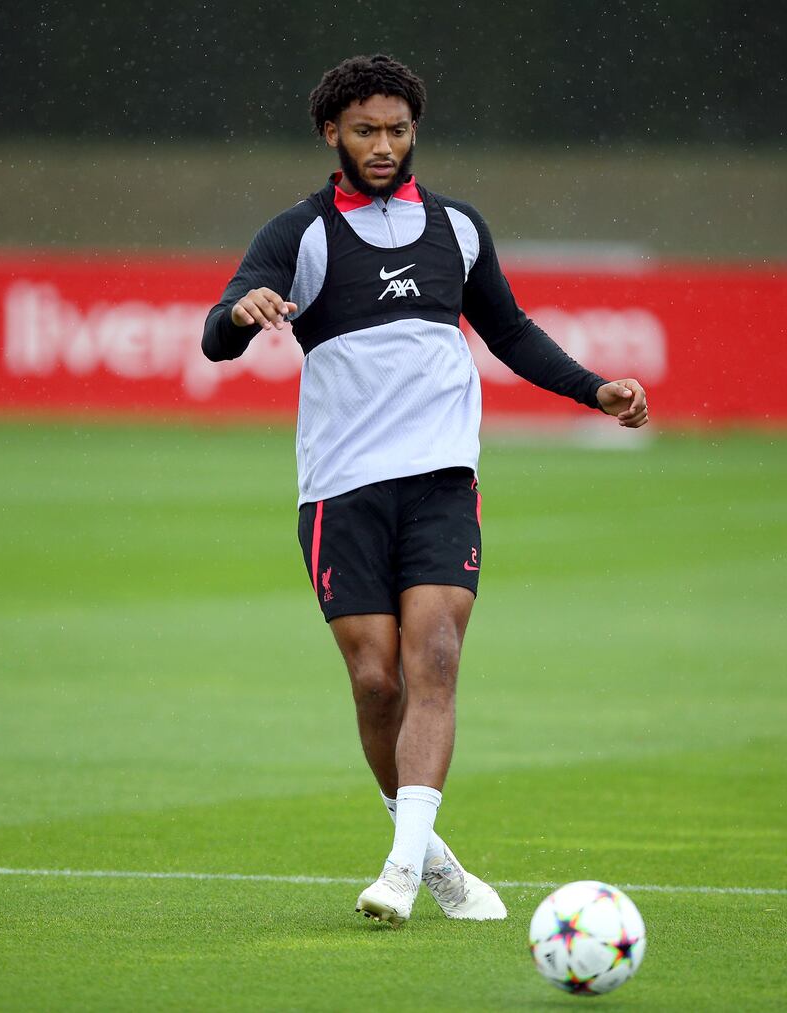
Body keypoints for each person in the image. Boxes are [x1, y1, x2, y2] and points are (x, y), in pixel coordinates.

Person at [202, 54, 648, 928]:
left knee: (433, 657)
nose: (383, 145)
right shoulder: (300, 236)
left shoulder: (458, 227)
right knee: (375, 680)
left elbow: (511, 332)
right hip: (340, 491)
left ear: (415, 132)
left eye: (398, 129)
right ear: (332, 132)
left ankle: (401, 871)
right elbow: (217, 334)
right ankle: (438, 863)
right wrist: (241, 312)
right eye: (365, 130)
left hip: (444, 480)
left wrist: (593, 388)